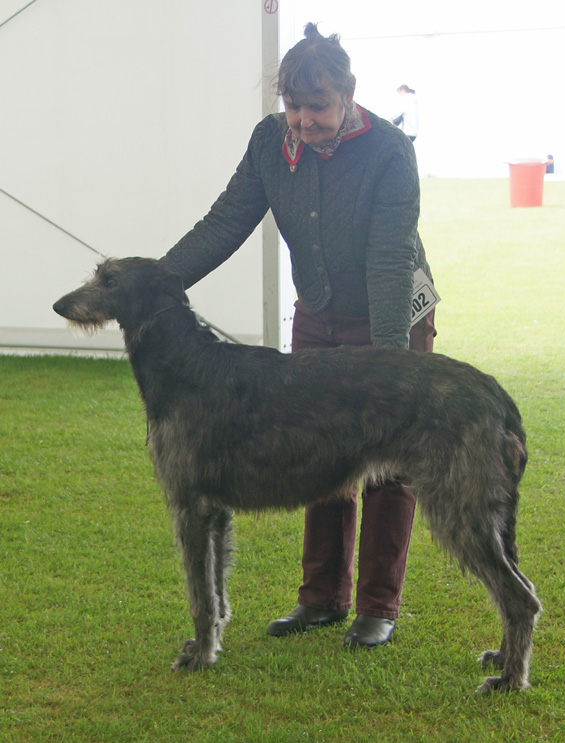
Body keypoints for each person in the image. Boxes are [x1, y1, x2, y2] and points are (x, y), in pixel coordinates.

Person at [160, 23, 436, 649]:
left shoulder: (390, 150)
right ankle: (321, 599)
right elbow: (227, 219)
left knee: (388, 460)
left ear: (348, 96)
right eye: (293, 106)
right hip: (319, 311)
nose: (304, 121)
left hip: (391, 314)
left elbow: (391, 256)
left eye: (318, 107)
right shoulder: (268, 143)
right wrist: (158, 280)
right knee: (319, 451)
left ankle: (377, 607)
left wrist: (390, 365)